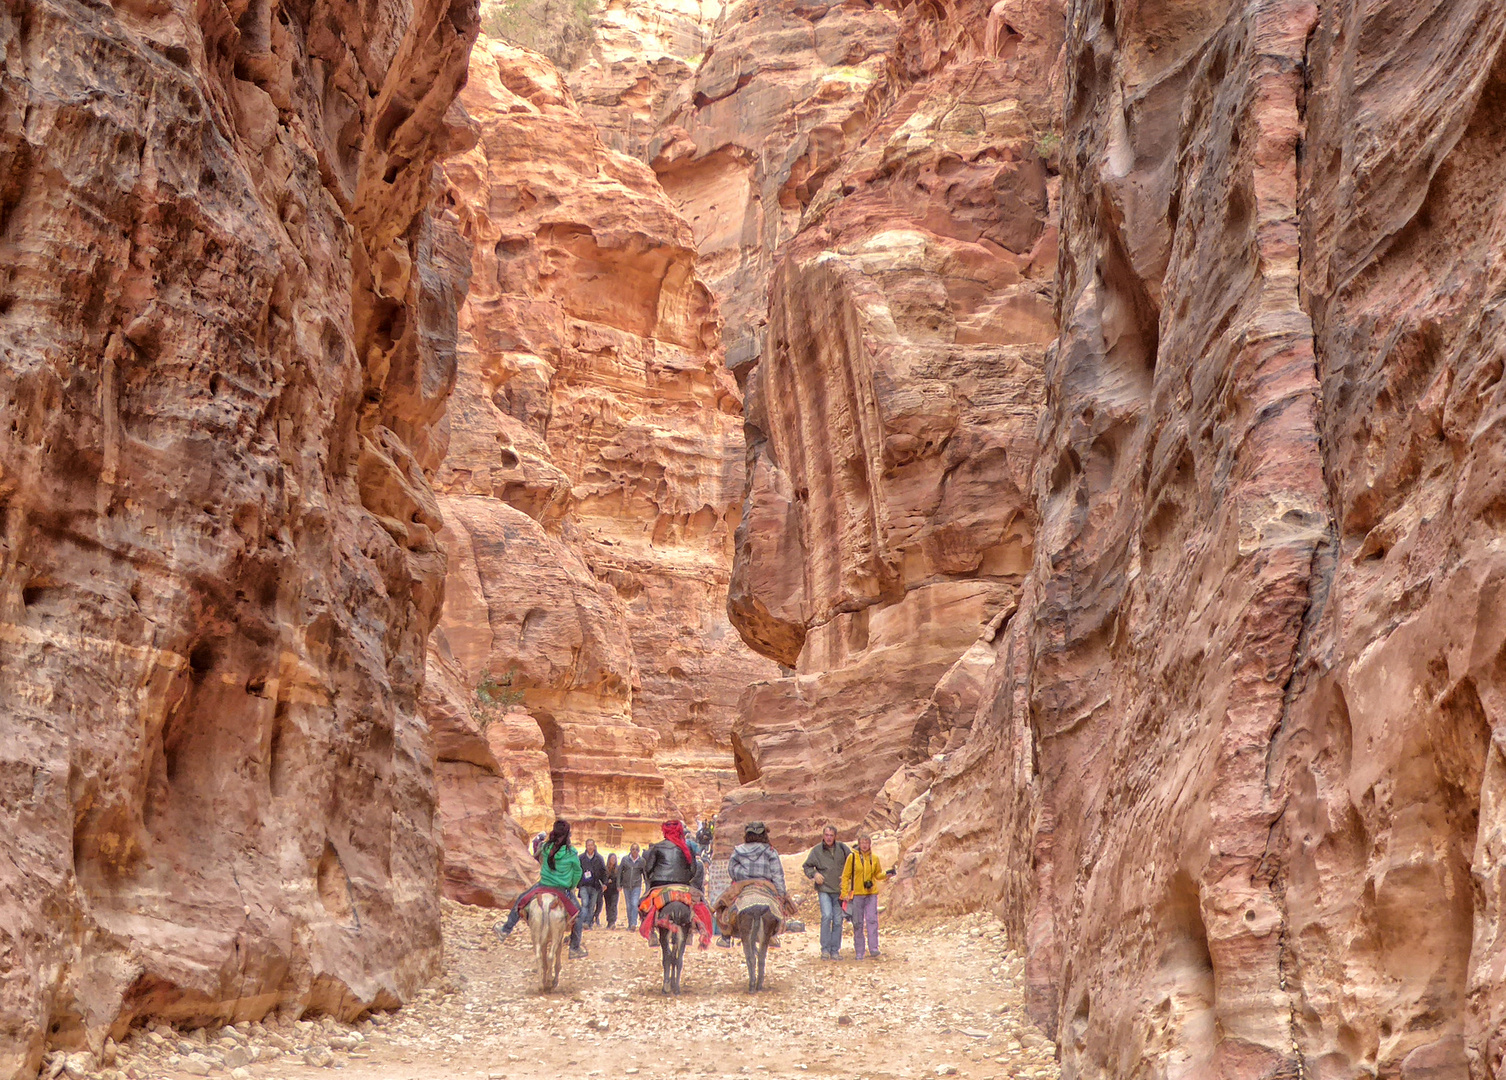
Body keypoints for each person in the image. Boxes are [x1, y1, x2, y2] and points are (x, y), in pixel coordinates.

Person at [494, 819, 589, 959]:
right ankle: (574, 948)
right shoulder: (572, 853)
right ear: (568, 835)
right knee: (579, 915)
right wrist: (571, 886)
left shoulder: (545, 848)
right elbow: (577, 873)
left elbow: (539, 859)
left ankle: (505, 930)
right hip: (562, 889)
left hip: (542, 886)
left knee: (520, 901)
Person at [638, 820, 713, 947]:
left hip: (660, 884)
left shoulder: (658, 847)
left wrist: (652, 880)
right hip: (683, 884)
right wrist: (685, 879)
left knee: (643, 905)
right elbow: (693, 870)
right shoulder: (687, 847)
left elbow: (648, 868)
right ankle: (692, 932)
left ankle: (651, 933)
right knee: (701, 903)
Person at [716, 821, 790, 947]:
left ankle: (726, 936)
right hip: (766, 885)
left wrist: (742, 875)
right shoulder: (771, 851)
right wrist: (781, 894)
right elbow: (777, 875)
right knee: (779, 907)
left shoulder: (738, 850)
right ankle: (773, 934)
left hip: (743, 884)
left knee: (723, 904)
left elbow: (731, 870)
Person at [841, 833, 893, 960]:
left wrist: (887, 874)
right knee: (858, 922)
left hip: (871, 894)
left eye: (866, 843)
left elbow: (877, 874)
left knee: (872, 920)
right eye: (862, 843)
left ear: (870, 844)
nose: (864, 845)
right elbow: (846, 876)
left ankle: (874, 948)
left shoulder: (874, 858)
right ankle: (859, 950)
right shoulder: (852, 858)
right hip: (857, 894)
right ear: (859, 844)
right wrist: (844, 893)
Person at [802, 825, 851, 960]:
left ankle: (835, 950)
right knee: (826, 916)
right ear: (823, 836)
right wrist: (814, 874)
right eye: (826, 835)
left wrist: (848, 879)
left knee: (838, 920)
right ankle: (825, 950)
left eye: (831, 835)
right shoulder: (817, 851)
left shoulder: (842, 848)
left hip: (839, 891)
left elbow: (853, 863)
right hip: (824, 890)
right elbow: (807, 866)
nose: (829, 838)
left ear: (835, 836)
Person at [578, 838, 607, 930]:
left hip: (595, 886)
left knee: (591, 905)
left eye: (591, 845)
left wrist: (604, 883)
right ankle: (582, 922)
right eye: (588, 845)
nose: (590, 847)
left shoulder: (599, 858)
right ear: (586, 846)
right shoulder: (581, 858)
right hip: (584, 885)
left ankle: (588, 923)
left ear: (594, 847)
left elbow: (604, 872)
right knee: (584, 903)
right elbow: (577, 870)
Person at [618, 843, 646, 930]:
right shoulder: (625, 860)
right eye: (633, 849)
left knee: (634, 904)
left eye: (636, 849)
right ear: (630, 850)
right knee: (629, 905)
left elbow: (644, 873)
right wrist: (619, 884)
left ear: (639, 851)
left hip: (636, 886)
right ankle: (630, 924)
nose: (634, 851)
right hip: (626, 886)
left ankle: (634, 923)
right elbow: (619, 872)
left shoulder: (641, 861)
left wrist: (648, 884)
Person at [603, 852, 621, 929]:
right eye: (612, 859)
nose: (613, 860)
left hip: (615, 890)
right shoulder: (605, 869)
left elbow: (620, 878)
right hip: (607, 890)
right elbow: (603, 878)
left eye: (614, 859)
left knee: (614, 905)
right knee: (608, 905)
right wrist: (606, 883)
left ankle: (613, 921)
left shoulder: (618, 869)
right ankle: (609, 921)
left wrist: (619, 886)